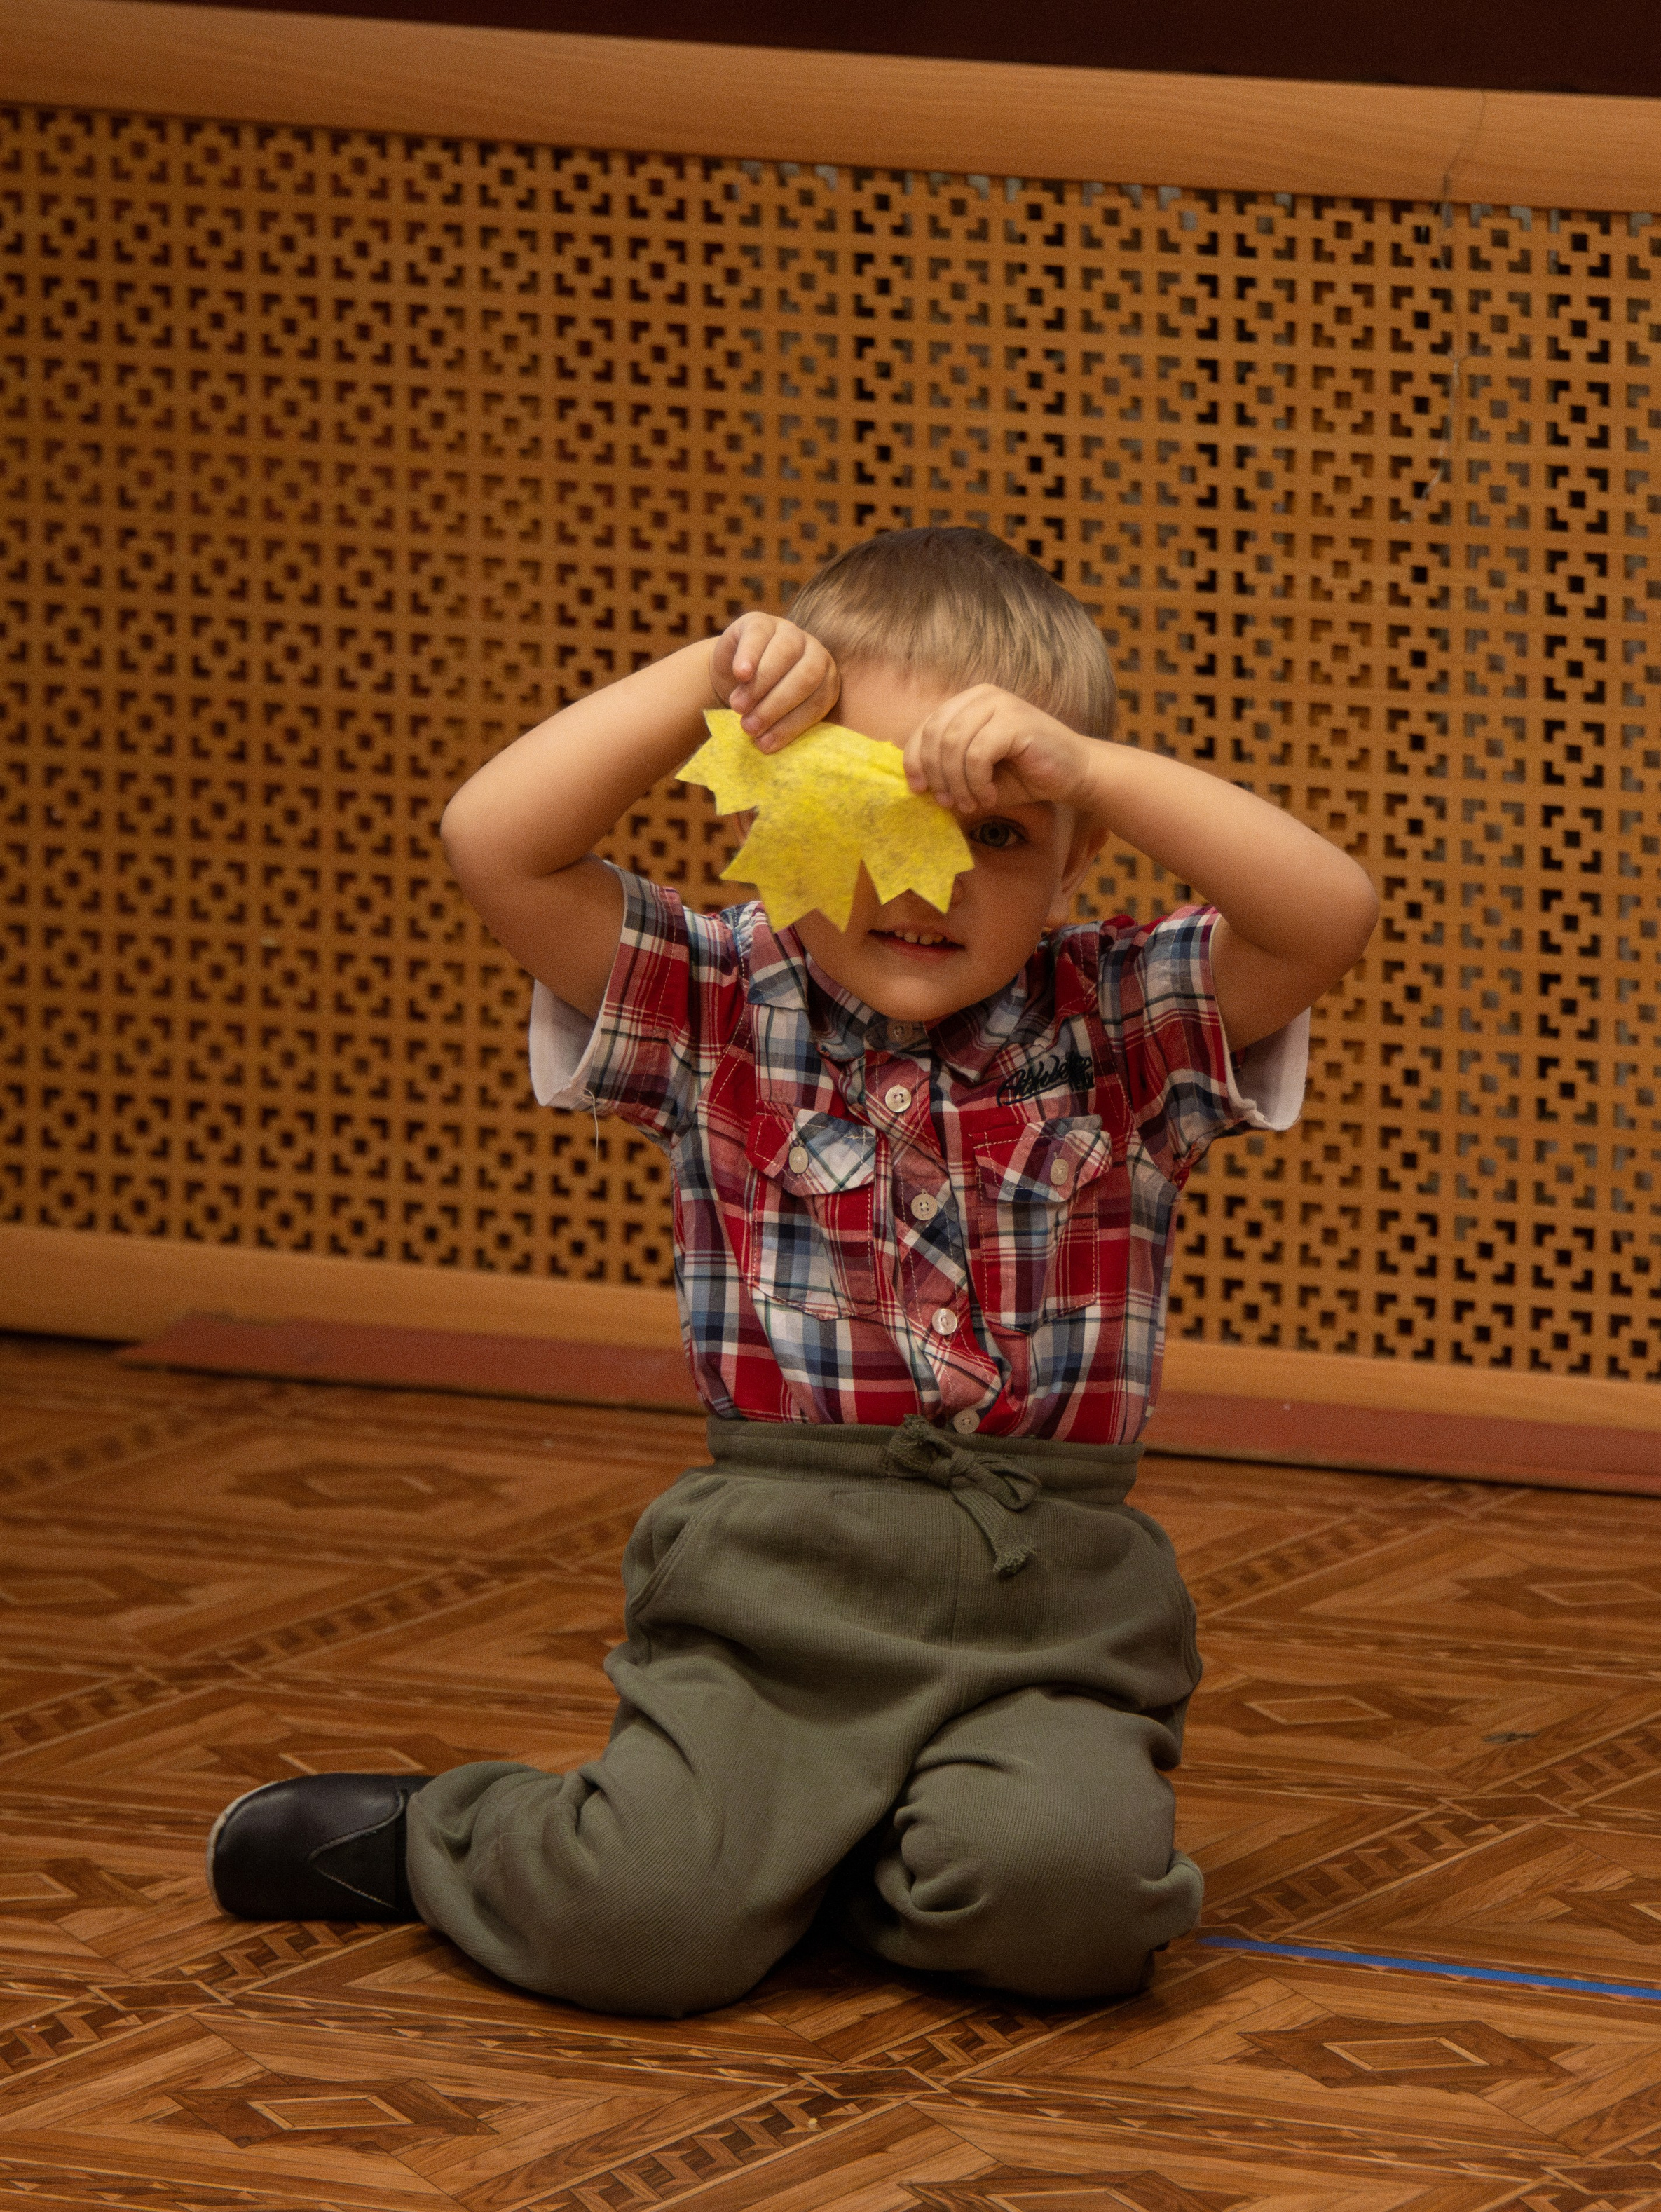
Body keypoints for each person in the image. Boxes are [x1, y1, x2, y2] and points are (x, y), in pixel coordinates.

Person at [207, 528, 1377, 2015]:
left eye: (997, 835)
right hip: (773, 1604)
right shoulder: (717, 998)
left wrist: (1084, 765)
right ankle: (455, 1837)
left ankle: (836, 1862)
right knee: (639, 1930)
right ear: (768, 804)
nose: (922, 877)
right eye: (865, 813)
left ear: (1074, 857)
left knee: (1070, 1920)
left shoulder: (1117, 1021)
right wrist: (717, 676)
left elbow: (1325, 912)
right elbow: (492, 839)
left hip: (1051, 1614)